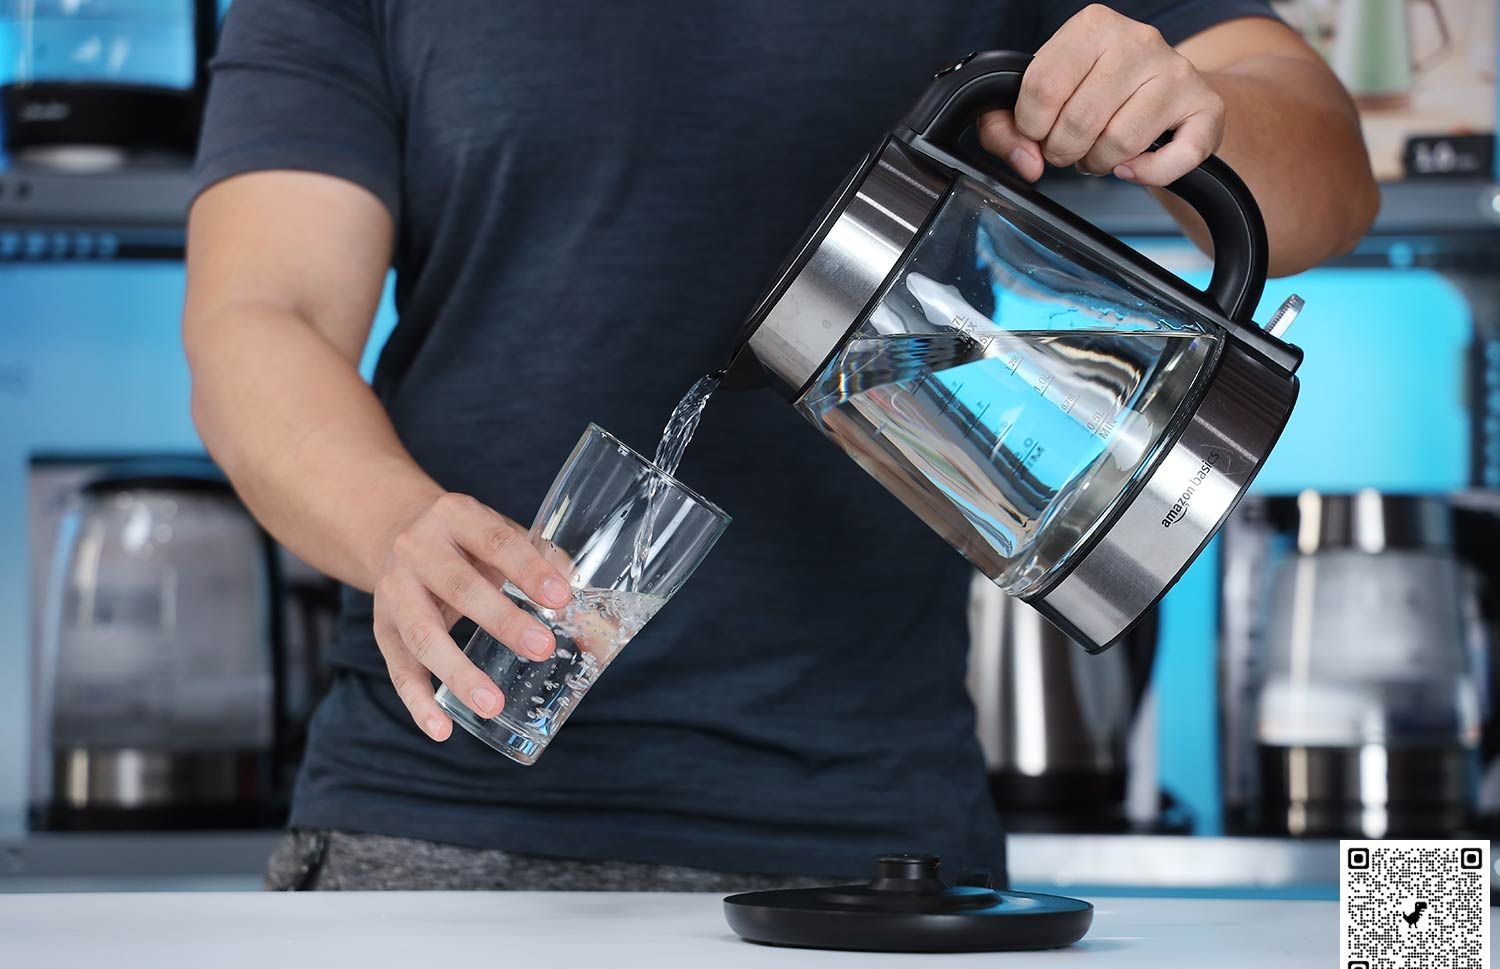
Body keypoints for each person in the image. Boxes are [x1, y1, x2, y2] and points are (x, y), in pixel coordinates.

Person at [183, 0, 1376, 891]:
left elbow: (1327, 175)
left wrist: (1183, 103)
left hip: (876, 854)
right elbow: (259, 316)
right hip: (431, 822)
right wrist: (395, 528)